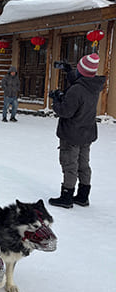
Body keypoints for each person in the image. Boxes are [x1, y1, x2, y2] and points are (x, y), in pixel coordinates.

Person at [49, 53, 105, 208]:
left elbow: (65, 112)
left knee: (69, 164)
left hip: (72, 133)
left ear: (82, 70)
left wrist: (56, 100)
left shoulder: (76, 90)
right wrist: (69, 70)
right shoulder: (93, 85)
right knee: (83, 164)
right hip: (86, 132)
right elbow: (80, 80)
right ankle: (83, 196)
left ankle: (66, 196)